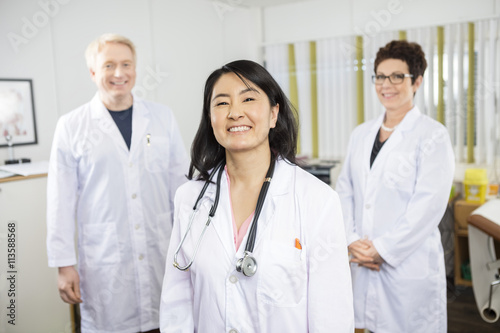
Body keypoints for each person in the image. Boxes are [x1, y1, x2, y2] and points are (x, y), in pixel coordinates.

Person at [158, 60, 354, 332]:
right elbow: (176, 302)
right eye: (222, 103)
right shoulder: (189, 198)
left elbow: (332, 315)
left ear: (274, 114)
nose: (235, 113)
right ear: (210, 118)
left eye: (248, 99)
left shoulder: (317, 200)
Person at [46, 33, 189, 333]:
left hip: (161, 251)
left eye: (127, 64)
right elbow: (60, 201)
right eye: (109, 65)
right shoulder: (72, 126)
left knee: (166, 322)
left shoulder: (162, 118)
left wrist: (191, 246)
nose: (120, 73)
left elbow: (181, 187)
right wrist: (64, 265)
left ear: (136, 69)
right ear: (93, 72)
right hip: (106, 261)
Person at [336, 40, 455, 333]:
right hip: (361, 258)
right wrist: (352, 240)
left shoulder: (432, 135)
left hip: (405, 264)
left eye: (397, 76)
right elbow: (345, 190)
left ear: (416, 82)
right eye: (380, 76)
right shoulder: (361, 134)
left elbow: (428, 206)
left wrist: (382, 249)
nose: (386, 84)